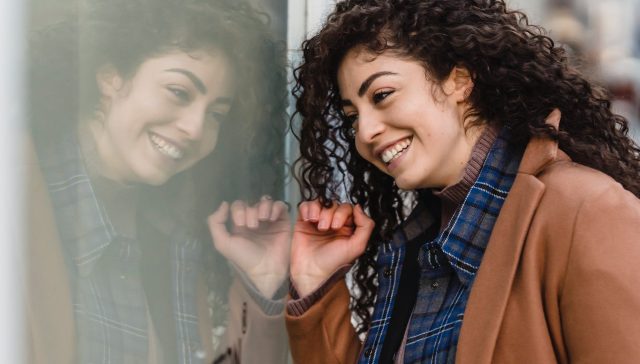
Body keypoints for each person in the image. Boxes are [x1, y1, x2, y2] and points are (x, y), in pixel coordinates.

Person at [286, 0, 640, 363]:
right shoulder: (420, 238)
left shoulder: (586, 212)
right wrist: (317, 283)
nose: (366, 132)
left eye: (382, 96)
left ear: (459, 80)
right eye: (351, 118)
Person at [26, 0, 290, 363]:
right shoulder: (18, 197)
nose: (196, 128)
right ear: (111, 75)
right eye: (179, 92)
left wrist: (262, 287)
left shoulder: (175, 238)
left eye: (216, 114)